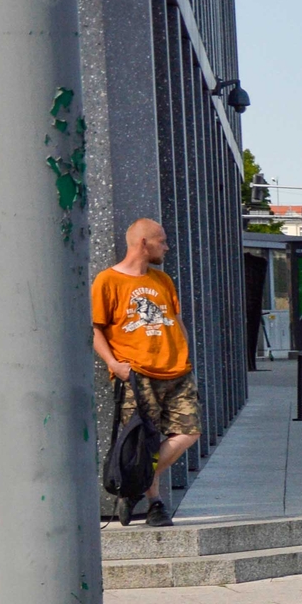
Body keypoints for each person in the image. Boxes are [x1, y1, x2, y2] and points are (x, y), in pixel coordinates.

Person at [90, 217, 201, 526]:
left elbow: (175, 319)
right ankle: (155, 504)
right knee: (145, 441)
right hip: (138, 374)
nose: (166, 246)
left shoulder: (162, 280)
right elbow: (96, 330)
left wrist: (185, 351)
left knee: (189, 432)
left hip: (177, 372)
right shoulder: (107, 281)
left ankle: (133, 487)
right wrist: (113, 364)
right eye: (161, 241)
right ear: (143, 243)